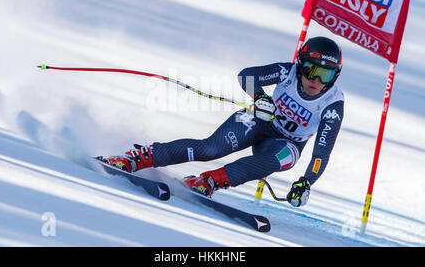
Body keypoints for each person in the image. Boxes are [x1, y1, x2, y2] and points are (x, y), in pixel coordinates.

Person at [99, 36, 344, 207]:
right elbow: (246, 75)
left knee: (281, 160)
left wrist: (306, 182)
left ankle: (209, 180)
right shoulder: (287, 72)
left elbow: (321, 154)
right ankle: (137, 158)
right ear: (301, 65)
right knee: (210, 148)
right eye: (312, 70)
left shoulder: (332, 105)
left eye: (326, 74)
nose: (316, 80)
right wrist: (259, 97)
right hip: (259, 120)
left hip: (287, 144)